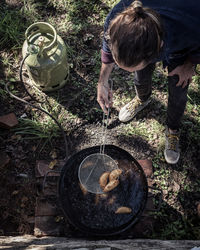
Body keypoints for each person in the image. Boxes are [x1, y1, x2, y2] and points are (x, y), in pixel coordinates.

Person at [97, 0, 200, 164]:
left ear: (159, 47)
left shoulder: (192, 22)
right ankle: (142, 98)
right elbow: (108, 50)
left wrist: (189, 65)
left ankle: (173, 128)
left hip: (181, 45)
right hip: (152, 43)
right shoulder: (117, 21)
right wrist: (102, 82)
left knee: (178, 88)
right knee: (141, 75)